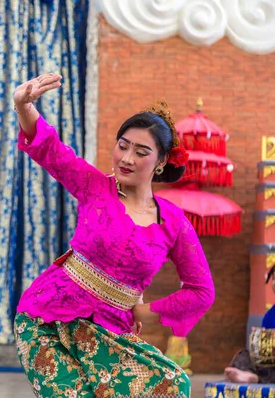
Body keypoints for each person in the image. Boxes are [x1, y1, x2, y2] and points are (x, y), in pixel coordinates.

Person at [12, 74, 215, 397]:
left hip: (108, 332)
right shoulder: (95, 187)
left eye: (141, 151)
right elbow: (51, 149)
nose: (126, 158)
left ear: (161, 162)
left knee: (172, 385)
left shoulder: (174, 223)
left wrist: (143, 311)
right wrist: (24, 106)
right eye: (122, 146)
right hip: (45, 317)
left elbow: (201, 291)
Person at [224, 267, 275, 384]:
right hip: (271, 363)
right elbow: (263, 349)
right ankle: (249, 374)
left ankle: (254, 377)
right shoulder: (269, 315)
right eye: (274, 278)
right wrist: (258, 338)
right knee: (244, 355)